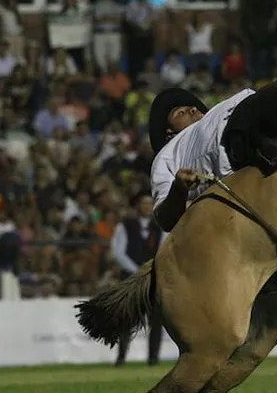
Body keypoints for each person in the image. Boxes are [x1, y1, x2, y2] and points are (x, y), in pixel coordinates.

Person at [148, 86, 257, 232]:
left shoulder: (218, 112)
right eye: (180, 113)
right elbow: (165, 219)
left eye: (193, 107)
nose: (193, 109)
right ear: (169, 133)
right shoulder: (166, 157)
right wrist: (178, 189)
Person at [109, 193, 165, 366]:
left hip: (153, 277)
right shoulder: (124, 226)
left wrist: (150, 270)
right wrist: (136, 270)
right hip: (130, 278)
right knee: (127, 319)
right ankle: (121, 358)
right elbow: (117, 251)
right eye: (144, 203)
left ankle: (153, 359)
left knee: (156, 320)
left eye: (150, 203)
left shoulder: (161, 226)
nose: (147, 207)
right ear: (137, 206)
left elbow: (164, 250)